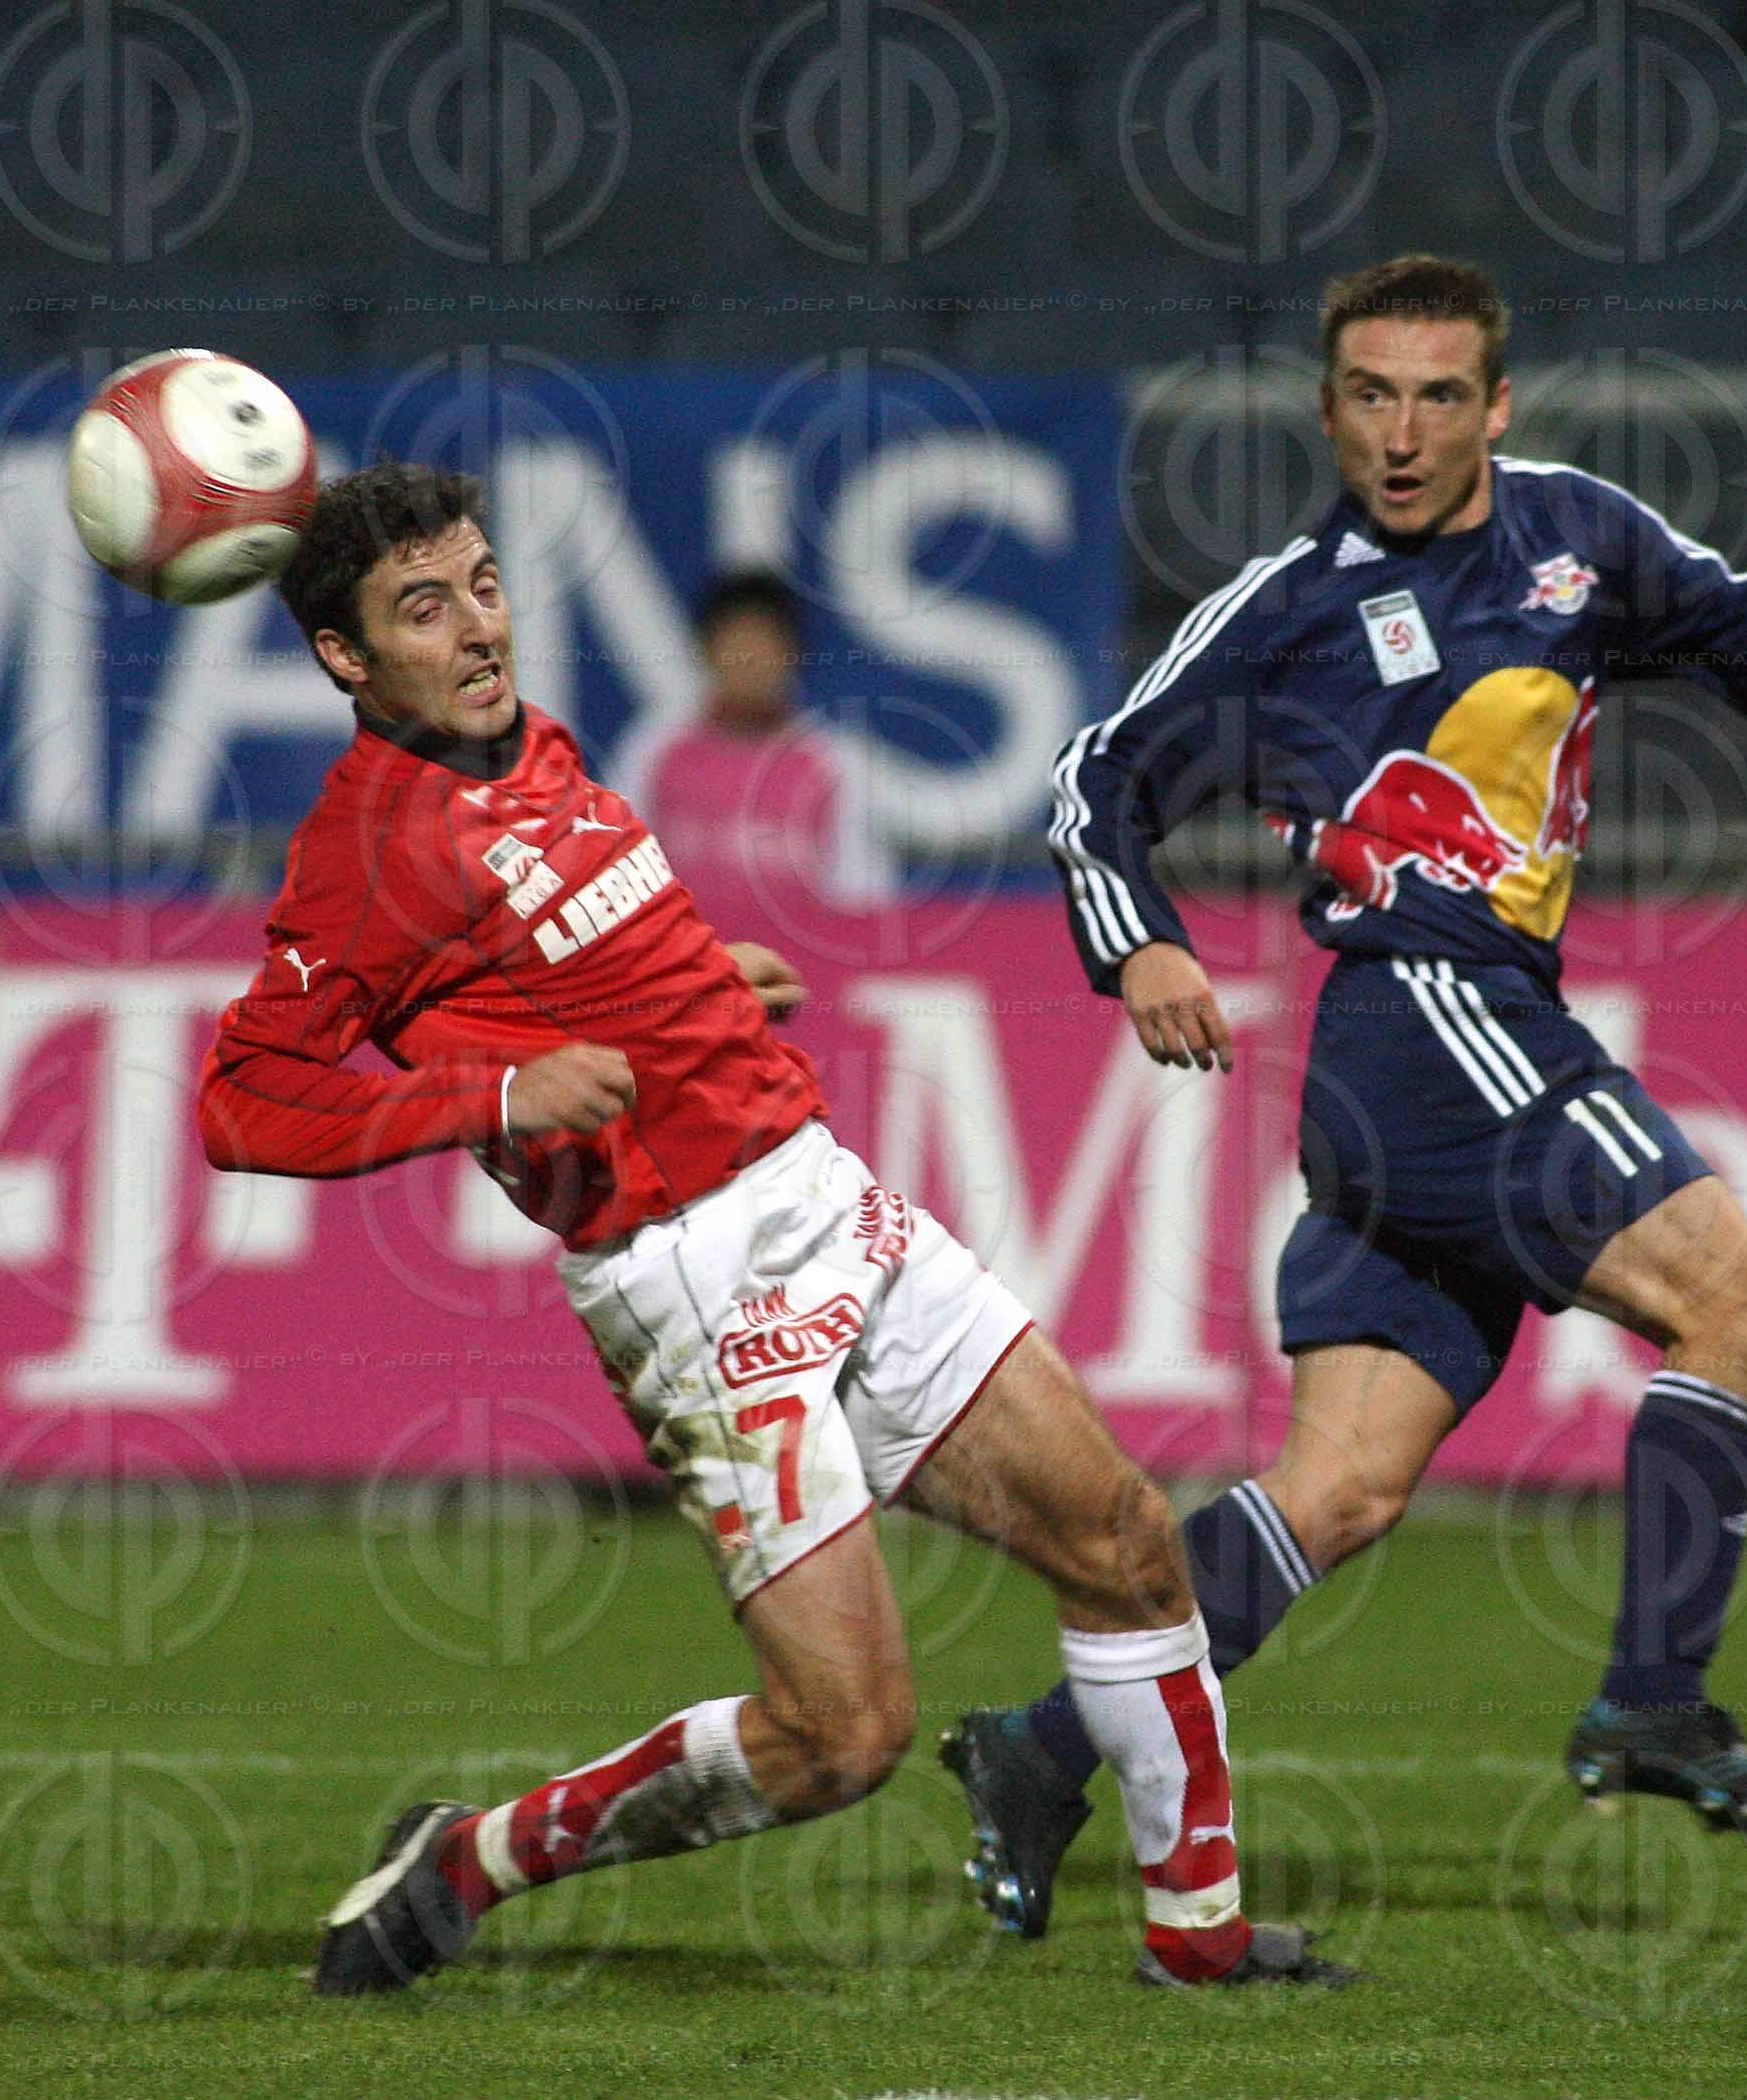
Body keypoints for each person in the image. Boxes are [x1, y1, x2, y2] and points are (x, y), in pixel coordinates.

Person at [196, 462, 1350, 1993]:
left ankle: (1198, 1939)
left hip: (819, 1193)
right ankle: (477, 1854)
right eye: (423, 609)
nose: (477, 627)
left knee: (1127, 1538)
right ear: (345, 658)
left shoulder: (528, 740)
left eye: (481, 583)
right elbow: (242, 1101)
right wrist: (486, 1094)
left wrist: (704, 983)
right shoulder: (367, 852)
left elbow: (574, 938)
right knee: (841, 1737)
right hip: (689, 1278)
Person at [941, 254, 1747, 1938]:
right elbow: (1095, 776)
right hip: (1424, 1011)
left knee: (1341, 1490)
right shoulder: (1288, 605)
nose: (1402, 429)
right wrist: (1139, 943)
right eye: (1369, 394)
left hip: (1434, 1057)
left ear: (1496, 407)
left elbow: (1725, 611)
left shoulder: (1572, 535)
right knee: (1736, 1299)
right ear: (1325, 410)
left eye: (1438, 394)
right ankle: (1655, 1699)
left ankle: (1035, 1750)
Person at [628, 569, 897, 919]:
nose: (750, 660)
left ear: (793, 654)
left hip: (797, 969)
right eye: (736, 642)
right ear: (707, 650)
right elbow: (615, 875)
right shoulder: (653, 751)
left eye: (763, 643)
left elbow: (862, 895)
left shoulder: (833, 763)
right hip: (677, 966)